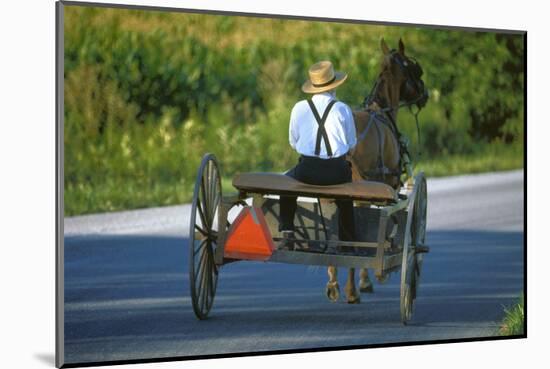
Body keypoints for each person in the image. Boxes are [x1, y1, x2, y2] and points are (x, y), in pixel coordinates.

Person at [280, 60, 357, 250]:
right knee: (346, 197)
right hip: (337, 172)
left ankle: (287, 231)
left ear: (313, 87)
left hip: (307, 171)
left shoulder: (299, 108)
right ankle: (348, 241)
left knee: (286, 186)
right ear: (334, 87)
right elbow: (351, 144)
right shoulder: (343, 109)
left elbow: (293, 142)